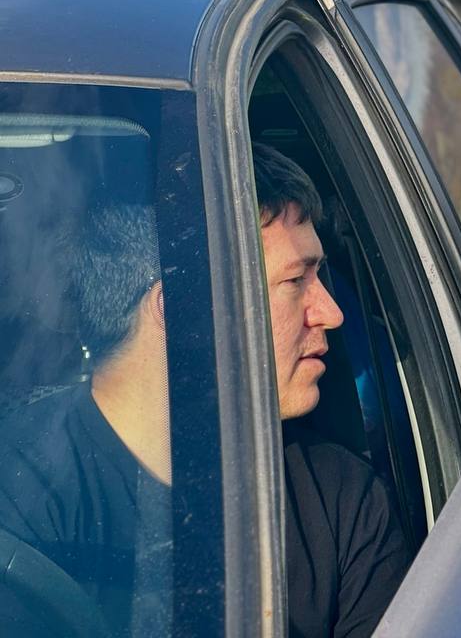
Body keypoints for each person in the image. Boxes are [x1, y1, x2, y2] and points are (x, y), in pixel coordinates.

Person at [0, 143, 410, 637]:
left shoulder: (341, 500)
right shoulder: (19, 502)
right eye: (296, 280)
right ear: (184, 308)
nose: (332, 312)